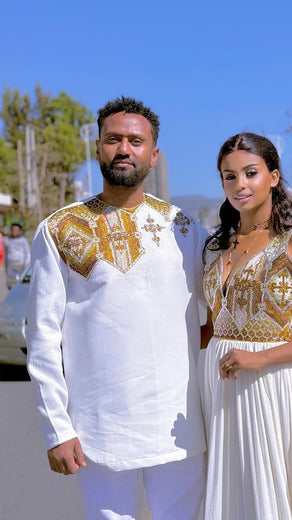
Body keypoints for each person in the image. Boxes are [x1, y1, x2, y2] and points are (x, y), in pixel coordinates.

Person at [26, 96, 207, 520]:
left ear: (154, 154)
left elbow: (220, 306)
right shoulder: (60, 229)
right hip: (99, 429)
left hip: (179, 426)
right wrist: (57, 428)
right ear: (98, 148)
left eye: (135, 141)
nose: (124, 149)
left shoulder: (184, 227)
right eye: (113, 139)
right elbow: (43, 339)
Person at [199, 132, 292, 519]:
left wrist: (261, 357)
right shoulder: (220, 245)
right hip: (218, 387)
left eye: (250, 173)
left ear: (274, 176)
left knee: (274, 498)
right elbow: (215, 326)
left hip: (273, 384)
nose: (240, 185)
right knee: (234, 495)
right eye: (229, 177)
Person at [4, 222, 31, 289]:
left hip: (21, 267)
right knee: (10, 286)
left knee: (20, 286)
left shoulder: (23, 240)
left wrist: (25, 265)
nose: (15, 231)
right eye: (13, 230)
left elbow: (27, 253)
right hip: (11, 267)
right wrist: (6, 267)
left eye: (16, 230)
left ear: (19, 231)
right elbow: (6, 254)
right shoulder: (8, 240)